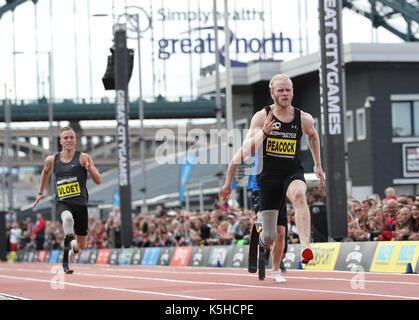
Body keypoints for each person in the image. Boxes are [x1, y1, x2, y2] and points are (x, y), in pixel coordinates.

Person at [220, 73, 325, 268]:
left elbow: (313, 137)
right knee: (269, 237)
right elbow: (245, 150)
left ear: (293, 92)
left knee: (300, 196)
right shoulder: (261, 117)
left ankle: (305, 247)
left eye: (288, 90)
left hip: (291, 172)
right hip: (268, 177)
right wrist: (264, 133)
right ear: (272, 93)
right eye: (281, 90)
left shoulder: (303, 118)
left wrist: (317, 164)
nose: (285, 94)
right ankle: (260, 238)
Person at [33, 126, 101, 273]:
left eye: (71, 137)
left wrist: (90, 170)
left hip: (80, 204)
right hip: (63, 202)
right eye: (66, 138)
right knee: (68, 219)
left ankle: (73, 249)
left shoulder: (83, 158)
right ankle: (68, 238)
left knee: (82, 245)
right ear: (61, 141)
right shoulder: (51, 160)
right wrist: (40, 193)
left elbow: (98, 180)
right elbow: (45, 173)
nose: (69, 140)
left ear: (75, 140)